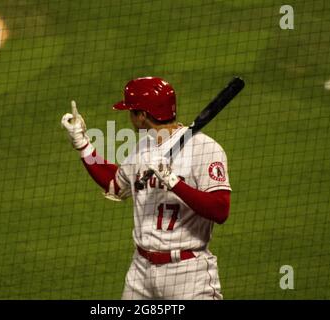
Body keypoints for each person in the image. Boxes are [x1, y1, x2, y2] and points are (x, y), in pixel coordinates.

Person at [61, 77, 231, 299]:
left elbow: (220, 210)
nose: (129, 117)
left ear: (143, 115)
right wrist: (82, 143)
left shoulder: (205, 149)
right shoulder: (144, 147)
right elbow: (116, 184)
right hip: (141, 272)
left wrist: (173, 182)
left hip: (188, 274)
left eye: (131, 111)